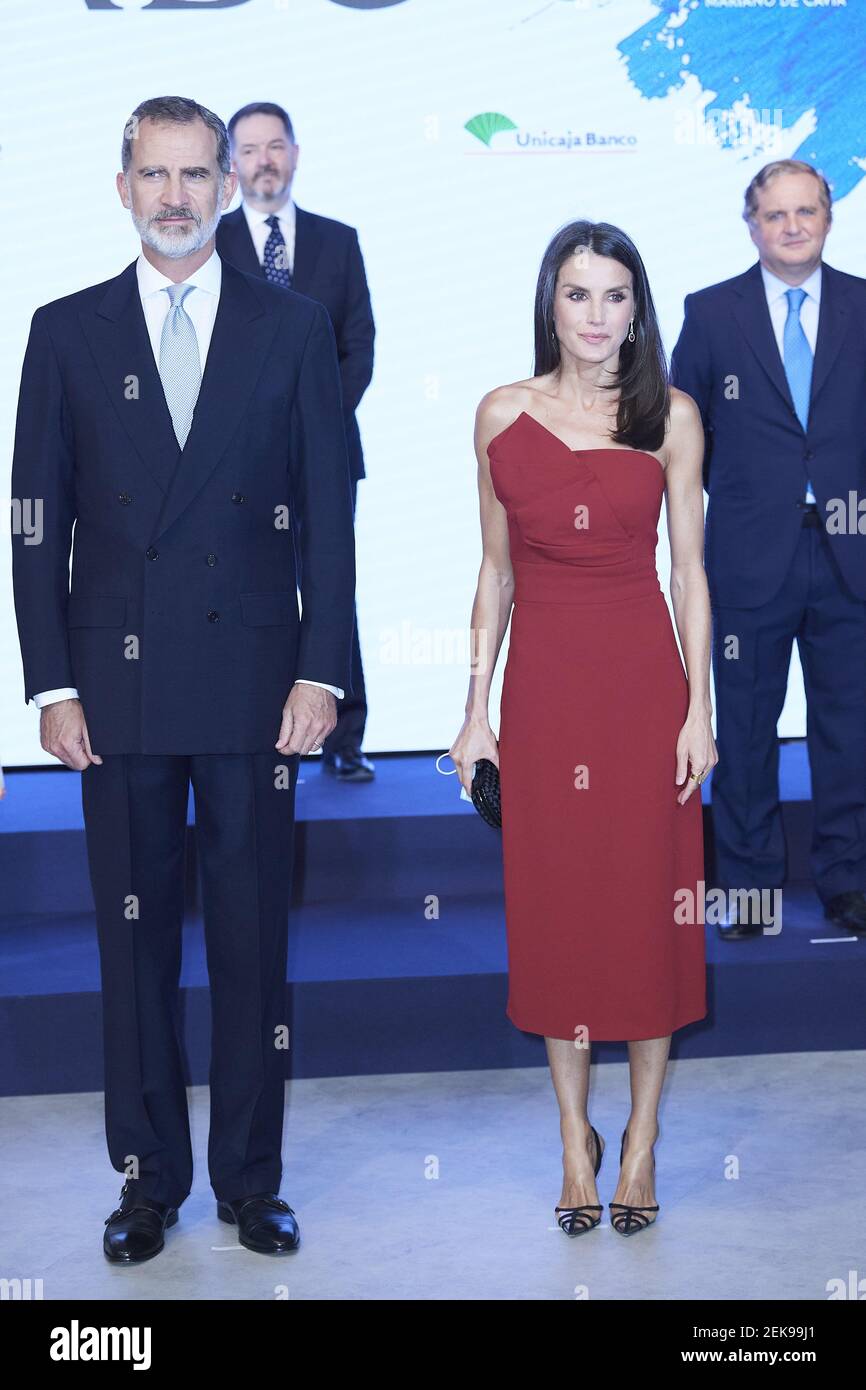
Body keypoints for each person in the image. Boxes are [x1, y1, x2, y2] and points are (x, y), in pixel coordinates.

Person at [10, 95, 356, 1262]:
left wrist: (323, 669)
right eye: (154, 174)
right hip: (116, 690)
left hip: (259, 683)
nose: (175, 196)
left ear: (227, 186)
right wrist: (50, 684)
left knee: (254, 946)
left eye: (195, 174)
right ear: (122, 187)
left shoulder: (294, 323)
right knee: (134, 945)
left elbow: (329, 521)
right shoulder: (64, 331)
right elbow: (31, 521)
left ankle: (250, 1184)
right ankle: (145, 1180)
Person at [449, 221, 715, 1237]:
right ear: (547, 303)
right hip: (547, 694)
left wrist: (700, 706)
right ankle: (573, 1142)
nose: (595, 316)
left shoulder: (670, 417)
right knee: (560, 918)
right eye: (576, 294)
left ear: (636, 307)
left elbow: (688, 572)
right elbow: (494, 572)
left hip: (642, 692)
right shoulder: (497, 415)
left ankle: (639, 1142)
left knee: (646, 919)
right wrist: (475, 710)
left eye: (613, 296)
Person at [671, 160, 866, 939]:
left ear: (829, 217)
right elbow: (686, 436)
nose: (793, 226)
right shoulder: (712, 313)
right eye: (776, 214)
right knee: (746, 729)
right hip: (750, 558)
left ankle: (848, 881)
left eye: (807, 211)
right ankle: (749, 889)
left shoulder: (861, 305)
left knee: (849, 729)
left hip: (851, 554)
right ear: (751, 224)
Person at [216, 100, 375, 782]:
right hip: (234, 467)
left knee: (332, 587)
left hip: (328, 458)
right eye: (248, 150)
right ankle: (246, 727)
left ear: (296, 153)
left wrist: (307, 431)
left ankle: (345, 740)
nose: (264, 161)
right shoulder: (209, 244)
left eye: (274, 146)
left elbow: (359, 349)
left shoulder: (339, 241)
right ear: (231, 165)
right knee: (242, 591)